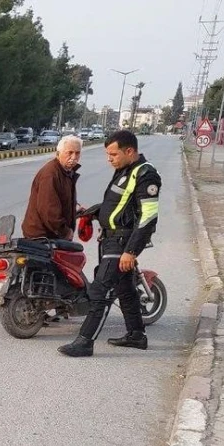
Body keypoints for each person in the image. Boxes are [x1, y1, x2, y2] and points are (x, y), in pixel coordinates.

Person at [59, 130, 162, 357]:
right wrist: (92, 213)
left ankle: (85, 342)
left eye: (113, 154)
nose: (109, 159)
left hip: (123, 242)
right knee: (124, 289)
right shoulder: (124, 171)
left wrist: (131, 251)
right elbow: (117, 205)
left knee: (100, 289)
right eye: (108, 154)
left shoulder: (146, 175)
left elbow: (148, 217)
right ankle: (137, 335)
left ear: (129, 151)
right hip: (110, 239)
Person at [22, 135, 82, 240]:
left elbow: (61, 199)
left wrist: (75, 209)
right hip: (43, 237)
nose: (74, 157)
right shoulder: (50, 174)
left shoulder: (66, 172)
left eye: (77, 153)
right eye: (70, 153)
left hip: (53, 235)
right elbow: (49, 210)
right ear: (58, 153)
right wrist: (65, 232)